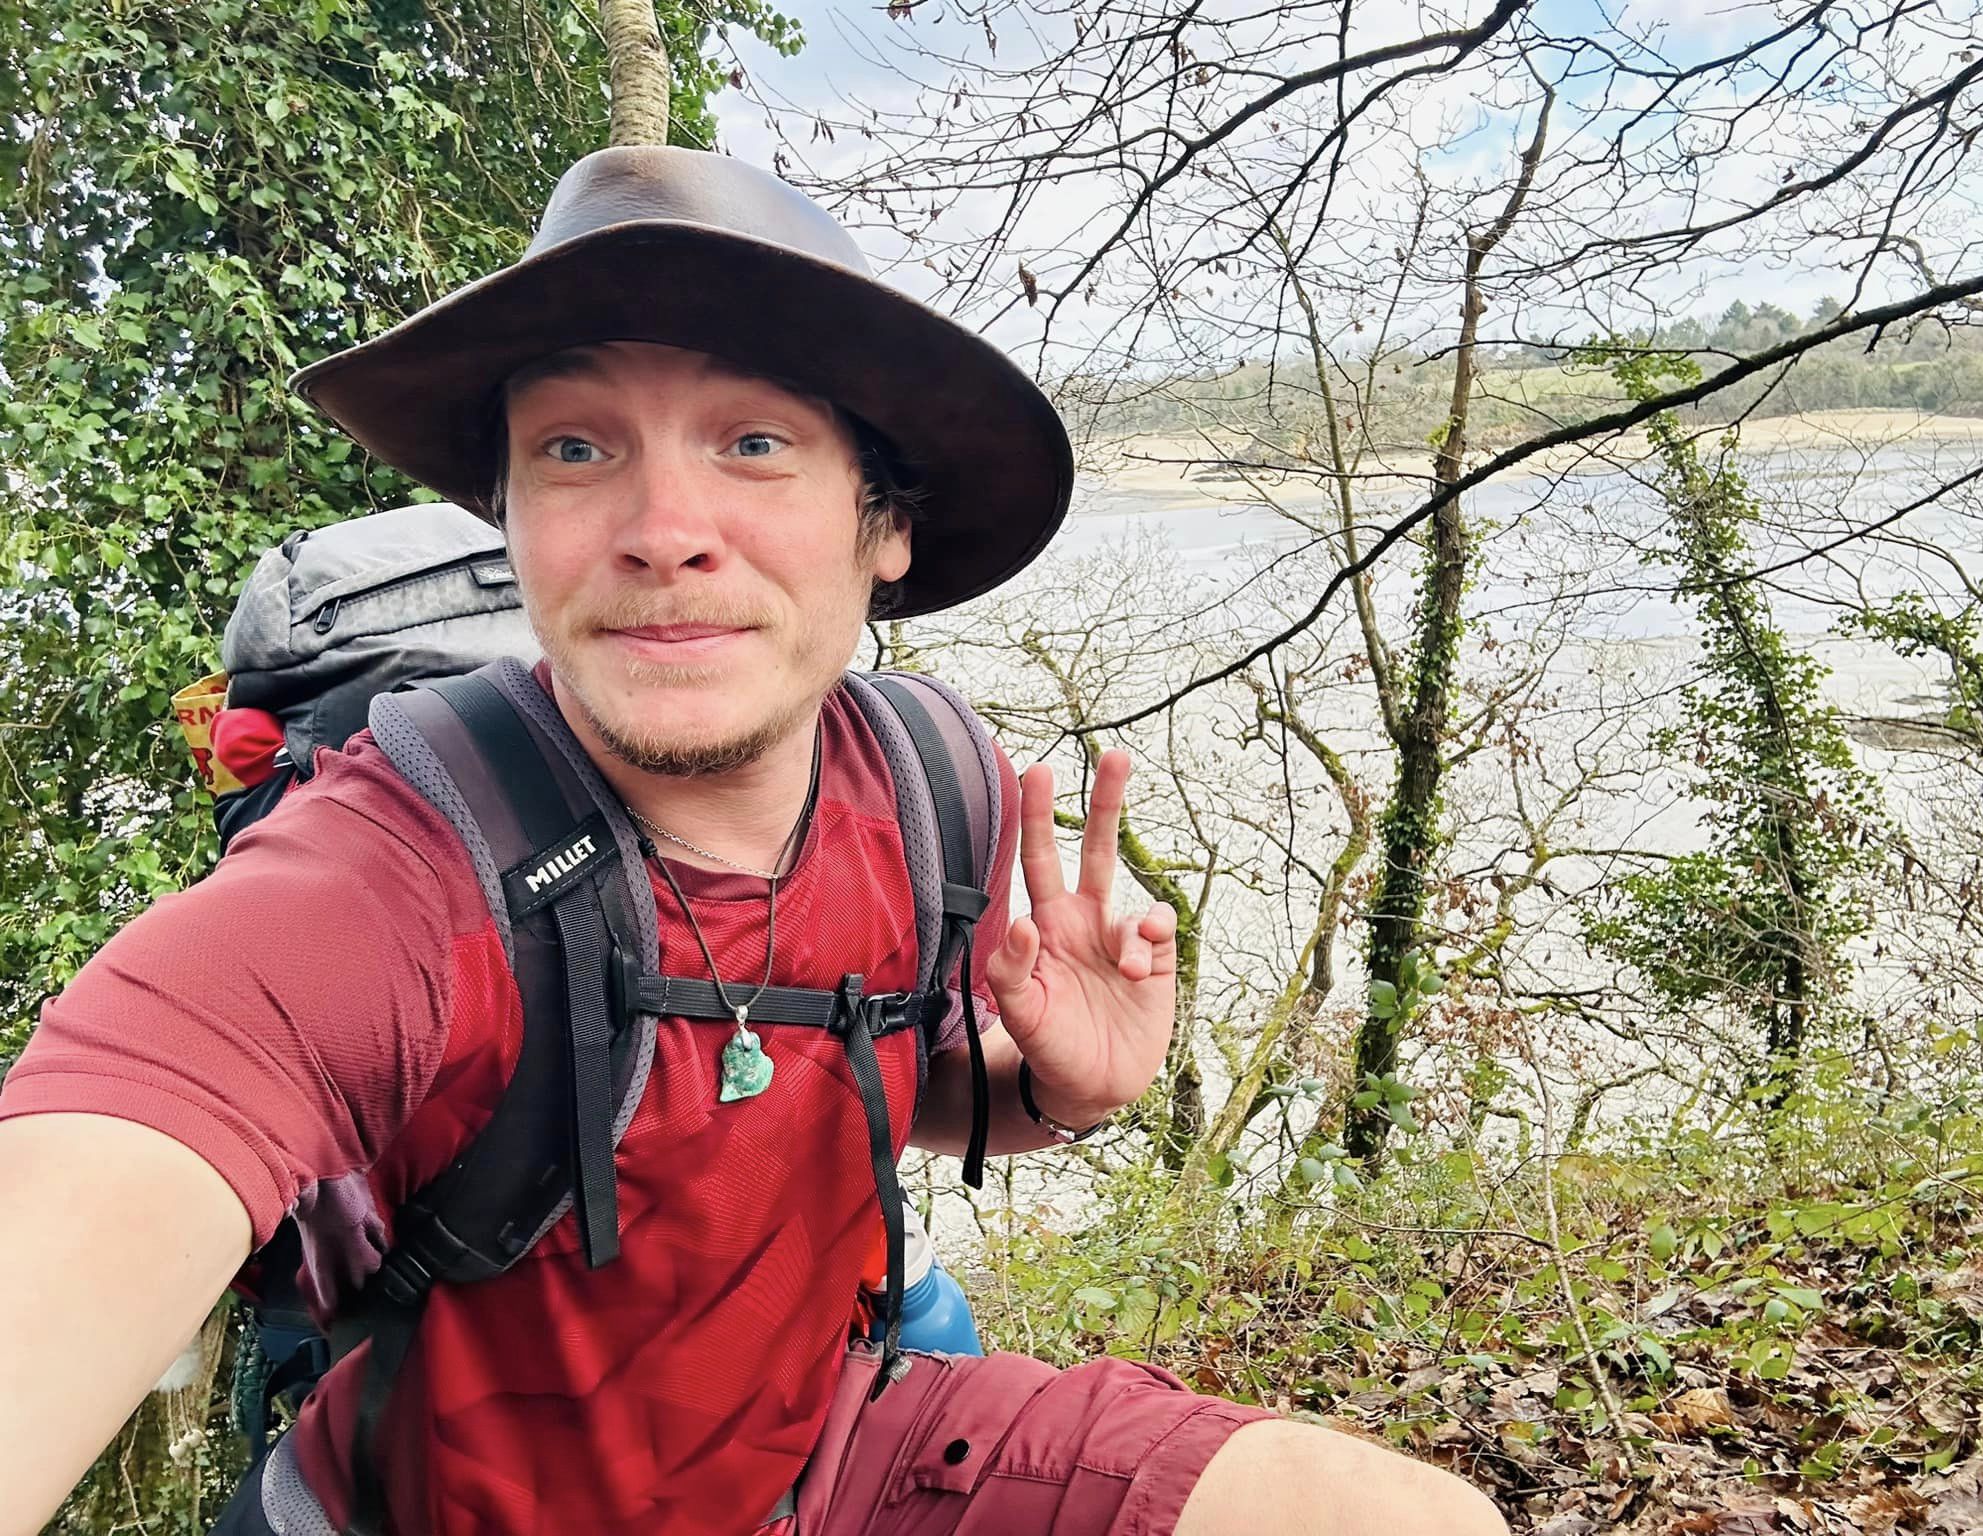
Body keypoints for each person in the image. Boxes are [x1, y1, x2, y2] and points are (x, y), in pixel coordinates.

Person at [0, 147, 1508, 1536]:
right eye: (579, 447)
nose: (664, 526)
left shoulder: (934, 784)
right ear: (513, 519)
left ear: (884, 522)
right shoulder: (395, 871)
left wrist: (1051, 1094)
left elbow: (829, 1078)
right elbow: (137, 1117)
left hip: (829, 1452)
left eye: (756, 441)